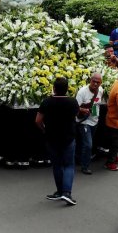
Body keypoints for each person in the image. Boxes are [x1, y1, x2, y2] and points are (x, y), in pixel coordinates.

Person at [36, 77, 80, 205]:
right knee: (69, 165)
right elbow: (76, 116)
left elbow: (38, 120)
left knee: (57, 165)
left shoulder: (46, 102)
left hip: (51, 138)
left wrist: (44, 129)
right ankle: (67, 193)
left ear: (54, 88)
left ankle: (60, 191)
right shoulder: (73, 102)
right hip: (68, 138)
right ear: (67, 89)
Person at [75, 72, 102, 175]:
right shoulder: (82, 92)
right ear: (90, 80)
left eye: (97, 82)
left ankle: (79, 159)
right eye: (93, 81)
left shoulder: (101, 90)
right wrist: (82, 110)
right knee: (88, 145)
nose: (95, 84)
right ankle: (85, 166)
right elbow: (75, 108)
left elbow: (97, 105)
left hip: (94, 121)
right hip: (84, 122)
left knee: (84, 143)